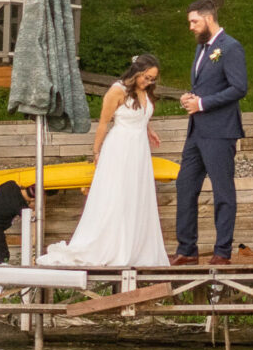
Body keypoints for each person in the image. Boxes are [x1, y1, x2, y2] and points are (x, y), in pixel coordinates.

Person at [37, 54, 171, 267]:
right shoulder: (116, 91)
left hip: (139, 151)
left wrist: (148, 128)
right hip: (120, 148)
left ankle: (135, 247)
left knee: (136, 196)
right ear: (136, 72)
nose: (149, 82)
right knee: (116, 195)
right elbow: (103, 123)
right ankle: (111, 246)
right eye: (146, 77)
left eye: (153, 79)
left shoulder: (144, 92)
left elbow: (139, 114)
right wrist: (96, 151)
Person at [173, 0, 248, 265]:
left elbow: (239, 87)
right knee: (185, 186)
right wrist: (190, 97)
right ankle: (187, 249)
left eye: (194, 21)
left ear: (208, 18)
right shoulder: (202, 49)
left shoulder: (230, 47)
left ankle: (222, 251)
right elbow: (207, 84)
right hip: (196, 131)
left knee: (222, 191)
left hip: (220, 131)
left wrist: (202, 103)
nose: (191, 27)